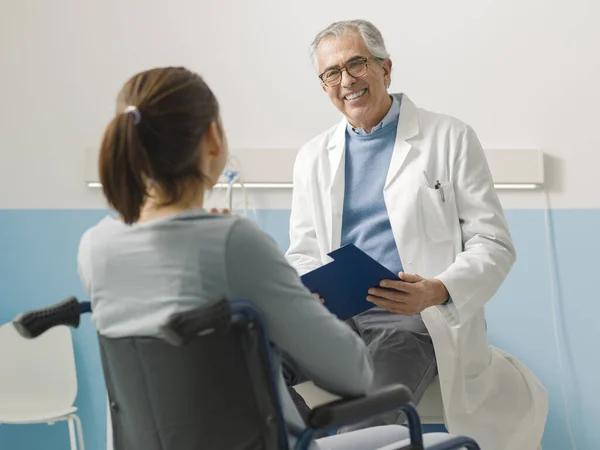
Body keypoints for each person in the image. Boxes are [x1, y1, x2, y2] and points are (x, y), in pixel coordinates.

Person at [76, 66, 455, 450]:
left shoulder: (96, 248)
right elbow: (354, 374)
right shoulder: (235, 243)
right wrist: (302, 312)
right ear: (212, 139)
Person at [285, 19, 548, 450]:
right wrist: (307, 294)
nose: (346, 80)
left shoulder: (450, 138)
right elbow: (303, 251)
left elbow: (493, 243)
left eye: (357, 64)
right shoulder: (312, 157)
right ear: (324, 85)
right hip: (336, 318)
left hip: (410, 317)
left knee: (370, 415)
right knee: (252, 359)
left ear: (386, 68)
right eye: (332, 72)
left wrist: (437, 291)